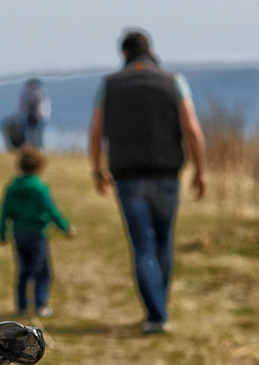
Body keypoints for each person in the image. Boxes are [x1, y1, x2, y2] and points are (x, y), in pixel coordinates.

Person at [88, 29, 207, 335]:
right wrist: (201, 170)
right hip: (167, 173)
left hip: (128, 176)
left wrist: (97, 170)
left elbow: (96, 131)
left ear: (124, 54)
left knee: (142, 246)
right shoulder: (174, 81)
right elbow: (192, 129)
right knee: (164, 241)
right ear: (150, 51)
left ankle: (155, 314)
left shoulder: (110, 85)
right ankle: (159, 308)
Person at [0, 146, 74, 318]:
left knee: (23, 270)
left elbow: (4, 211)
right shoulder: (40, 187)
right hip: (37, 234)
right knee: (42, 271)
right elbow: (50, 209)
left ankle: (22, 306)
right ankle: (40, 305)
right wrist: (65, 227)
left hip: (18, 234)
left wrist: (1, 232)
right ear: (40, 167)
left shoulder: (12, 187)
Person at [18, 77, 50, 148]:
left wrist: (41, 115)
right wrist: (21, 116)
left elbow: (44, 108)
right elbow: (22, 107)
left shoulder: (41, 95)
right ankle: (30, 148)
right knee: (29, 133)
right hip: (28, 116)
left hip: (39, 117)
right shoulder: (25, 95)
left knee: (38, 134)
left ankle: (39, 148)